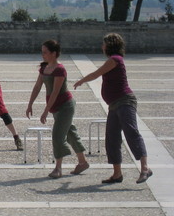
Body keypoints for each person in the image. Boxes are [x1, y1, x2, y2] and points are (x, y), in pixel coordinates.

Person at [74, 33, 152, 184]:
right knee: (112, 138)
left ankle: (145, 169)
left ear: (110, 45)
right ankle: (117, 174)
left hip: (125, 101)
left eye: (104, 44)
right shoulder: (113, 59)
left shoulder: (115, 59)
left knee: (131, 133)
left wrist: (81, 80)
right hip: (114, 104)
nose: (102, 46)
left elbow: (97, 73)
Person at [26, 40, 89, 179]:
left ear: (54, 53)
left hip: (65, 106)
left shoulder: (60, 70)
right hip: (55, 107)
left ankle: (58, 168)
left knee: (58, 136)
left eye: (45, 52)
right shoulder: (44, 68)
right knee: (70, 133)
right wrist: (30, 104)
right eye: (42, 52)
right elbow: (37, 86)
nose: (42, 55)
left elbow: (55, 92)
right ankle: (83, 162)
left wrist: (45, 111)